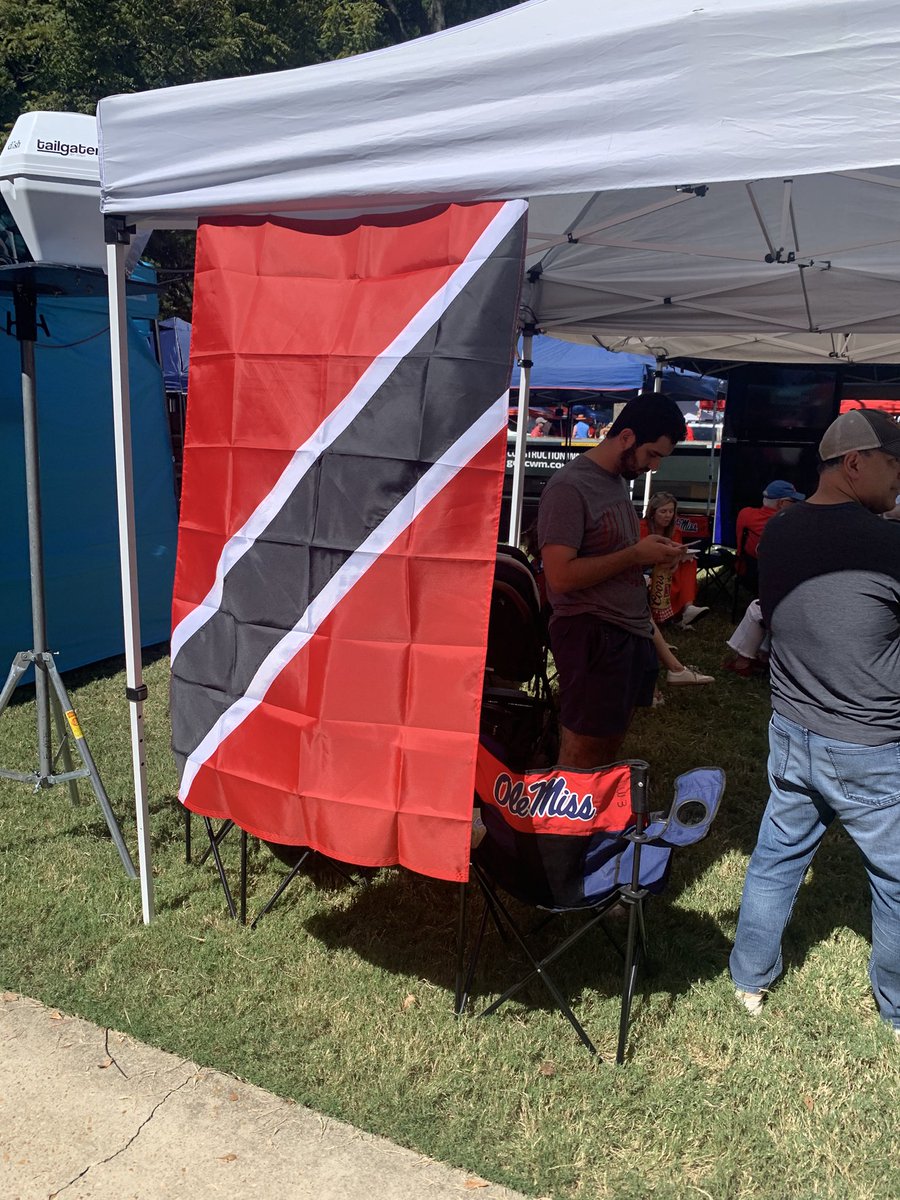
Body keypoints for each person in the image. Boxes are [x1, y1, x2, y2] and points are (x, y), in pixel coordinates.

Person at [730, 409, 900, 1034]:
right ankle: (897, 1011)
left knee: (777, 855)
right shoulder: (886, 544)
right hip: (869, 743)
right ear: (857, 463)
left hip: (794, 726)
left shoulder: (779, 530)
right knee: (896, 880)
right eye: (895, 465)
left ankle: (748, 978)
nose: (899, 480)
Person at [537, 394, 687, 768]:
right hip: (592, 634)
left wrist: (651, 556)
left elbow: (611, 555)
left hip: (625, 633)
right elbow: (559, 576)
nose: (653, 467)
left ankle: (587, 823)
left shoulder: (618, 479)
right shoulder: (569, 488)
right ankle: (560, 825)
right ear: (627, 437)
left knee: (605, 752)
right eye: (652, 454)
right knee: (581, 754)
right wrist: (636, 555)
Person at [639, 492, 709, 629]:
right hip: (647, 567)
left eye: (671, 511)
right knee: (669, 564)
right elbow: (641, 554)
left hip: (669, 567)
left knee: (690, 561)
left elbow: (677, 553)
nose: (668, 515)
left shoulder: (674, 531)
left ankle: (689, 608)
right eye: (663, 511)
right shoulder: (642, 527)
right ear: (653, 512)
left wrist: (680, 557)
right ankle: (680, 612)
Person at [735, 479, 805, 566]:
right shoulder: (791, 523)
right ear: (782, 503)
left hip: (746, 570)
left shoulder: (745, 514)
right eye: (793, 501)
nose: (796, 504)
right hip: (779, 574)